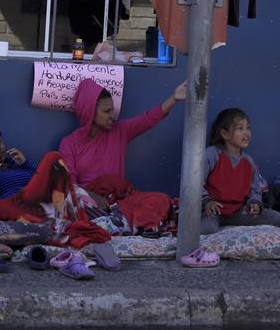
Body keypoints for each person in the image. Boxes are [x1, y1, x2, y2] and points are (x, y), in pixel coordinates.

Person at [58, 78, 186, 232]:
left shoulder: (120, 132)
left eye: (112, 109)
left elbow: (148, 119)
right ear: (89, 111)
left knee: (161, 199)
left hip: (120, 201)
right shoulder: (69, 143)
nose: (112, 115)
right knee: (73, 202)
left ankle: (119, 224)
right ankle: (123, 224)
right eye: (106, 111)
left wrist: (174, 98)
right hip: (90, 203)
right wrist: (93, 196)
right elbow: (69, 185)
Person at [200, 108, 280, 234]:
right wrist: (207, 201)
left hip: (237, 212)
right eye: (240, 128)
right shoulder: (211, 155)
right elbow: (194, 185)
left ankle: (232, 225)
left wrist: (254, 203)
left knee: (276, 218)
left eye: (248, 128)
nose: (247, 133)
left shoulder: (248, 161)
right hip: (212, 211)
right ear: (225, 134)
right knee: (208, 228)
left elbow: (255, 189)